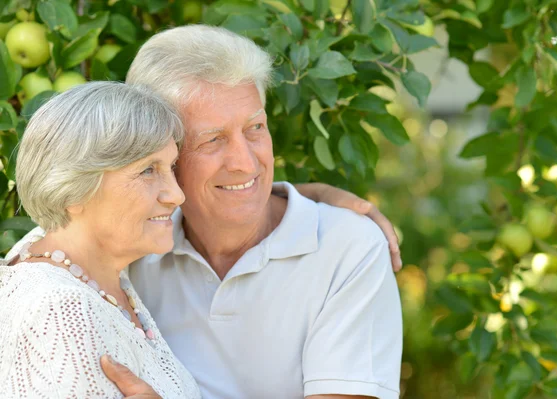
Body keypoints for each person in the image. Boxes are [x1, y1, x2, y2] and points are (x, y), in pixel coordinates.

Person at [104, 25, 403, 399]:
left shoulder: (348, 249)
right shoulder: (134, 250)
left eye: (255, 128)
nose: (246, 163)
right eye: (213, 140)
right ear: (162, 153)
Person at [0, 82, 202, 398]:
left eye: (170, 167)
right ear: (73, 188)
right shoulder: (61, 310)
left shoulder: (73, 261)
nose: (177, 195)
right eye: (148, 170)